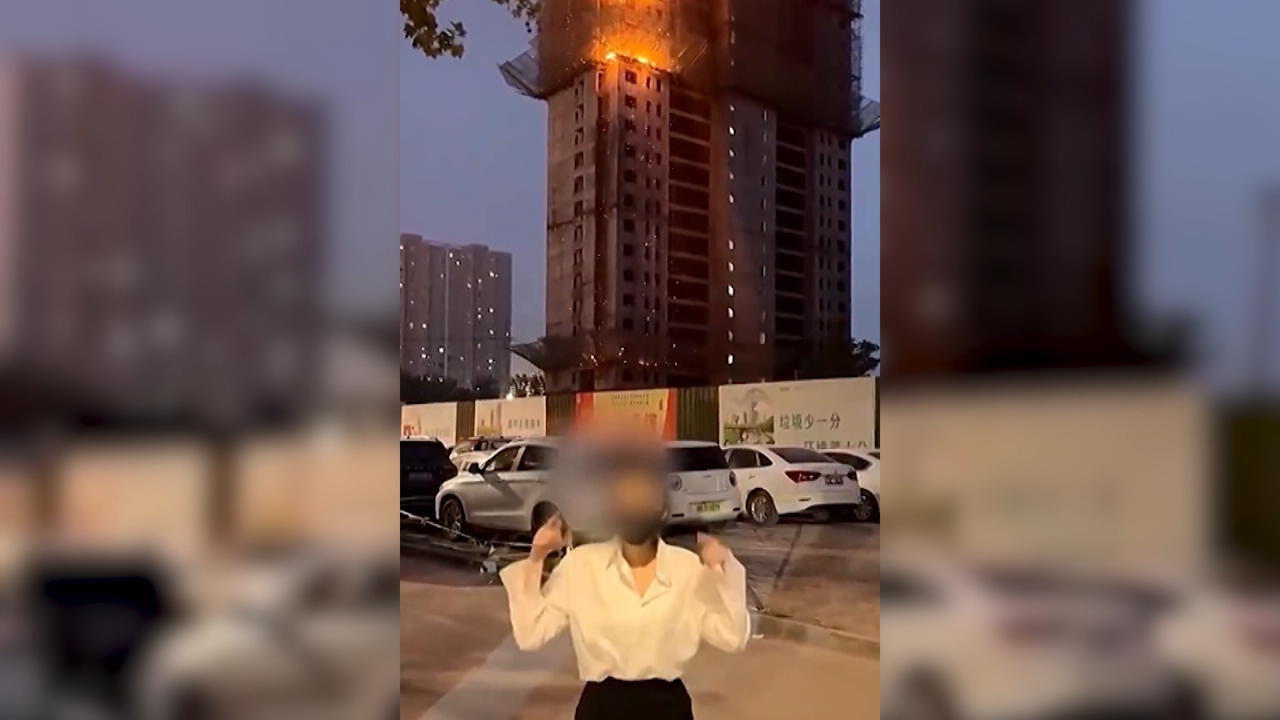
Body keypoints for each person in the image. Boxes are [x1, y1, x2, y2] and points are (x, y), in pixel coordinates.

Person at [498, 456, 751, 720]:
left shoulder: (687, 568)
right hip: (602, 709)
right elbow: (531, 634)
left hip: (668, 709)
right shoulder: (581, 566)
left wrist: (724, 566)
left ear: (662, 508)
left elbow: (732, 637)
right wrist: (537, 556)